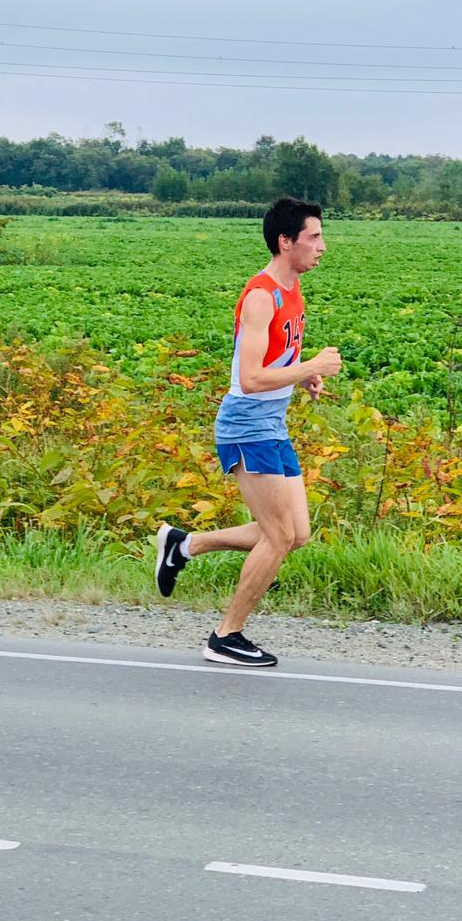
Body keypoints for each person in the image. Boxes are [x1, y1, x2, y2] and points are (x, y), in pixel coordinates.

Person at [155, 196, 342, 667]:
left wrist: (305, 373)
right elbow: (253, 377)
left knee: (296, 534)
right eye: (313, 237)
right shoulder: (262, 296)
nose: (322, 246)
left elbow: (277, 360)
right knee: (277, 536)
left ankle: (184, 545)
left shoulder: (293, 290)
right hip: (247, 424)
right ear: (286, 242)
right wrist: (311, 365)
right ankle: (225, 636)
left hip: (271, 422)